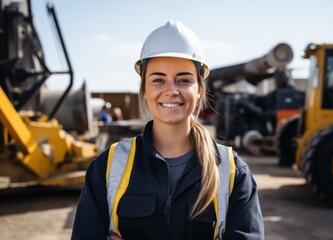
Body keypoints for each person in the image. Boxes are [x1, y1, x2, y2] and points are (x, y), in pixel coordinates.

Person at [71, 20, 264, 240]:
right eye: (158, 80)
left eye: (183, 80)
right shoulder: (108, 167)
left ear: (200, 89)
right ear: (144, 89)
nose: (171, 91)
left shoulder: (232, 173)